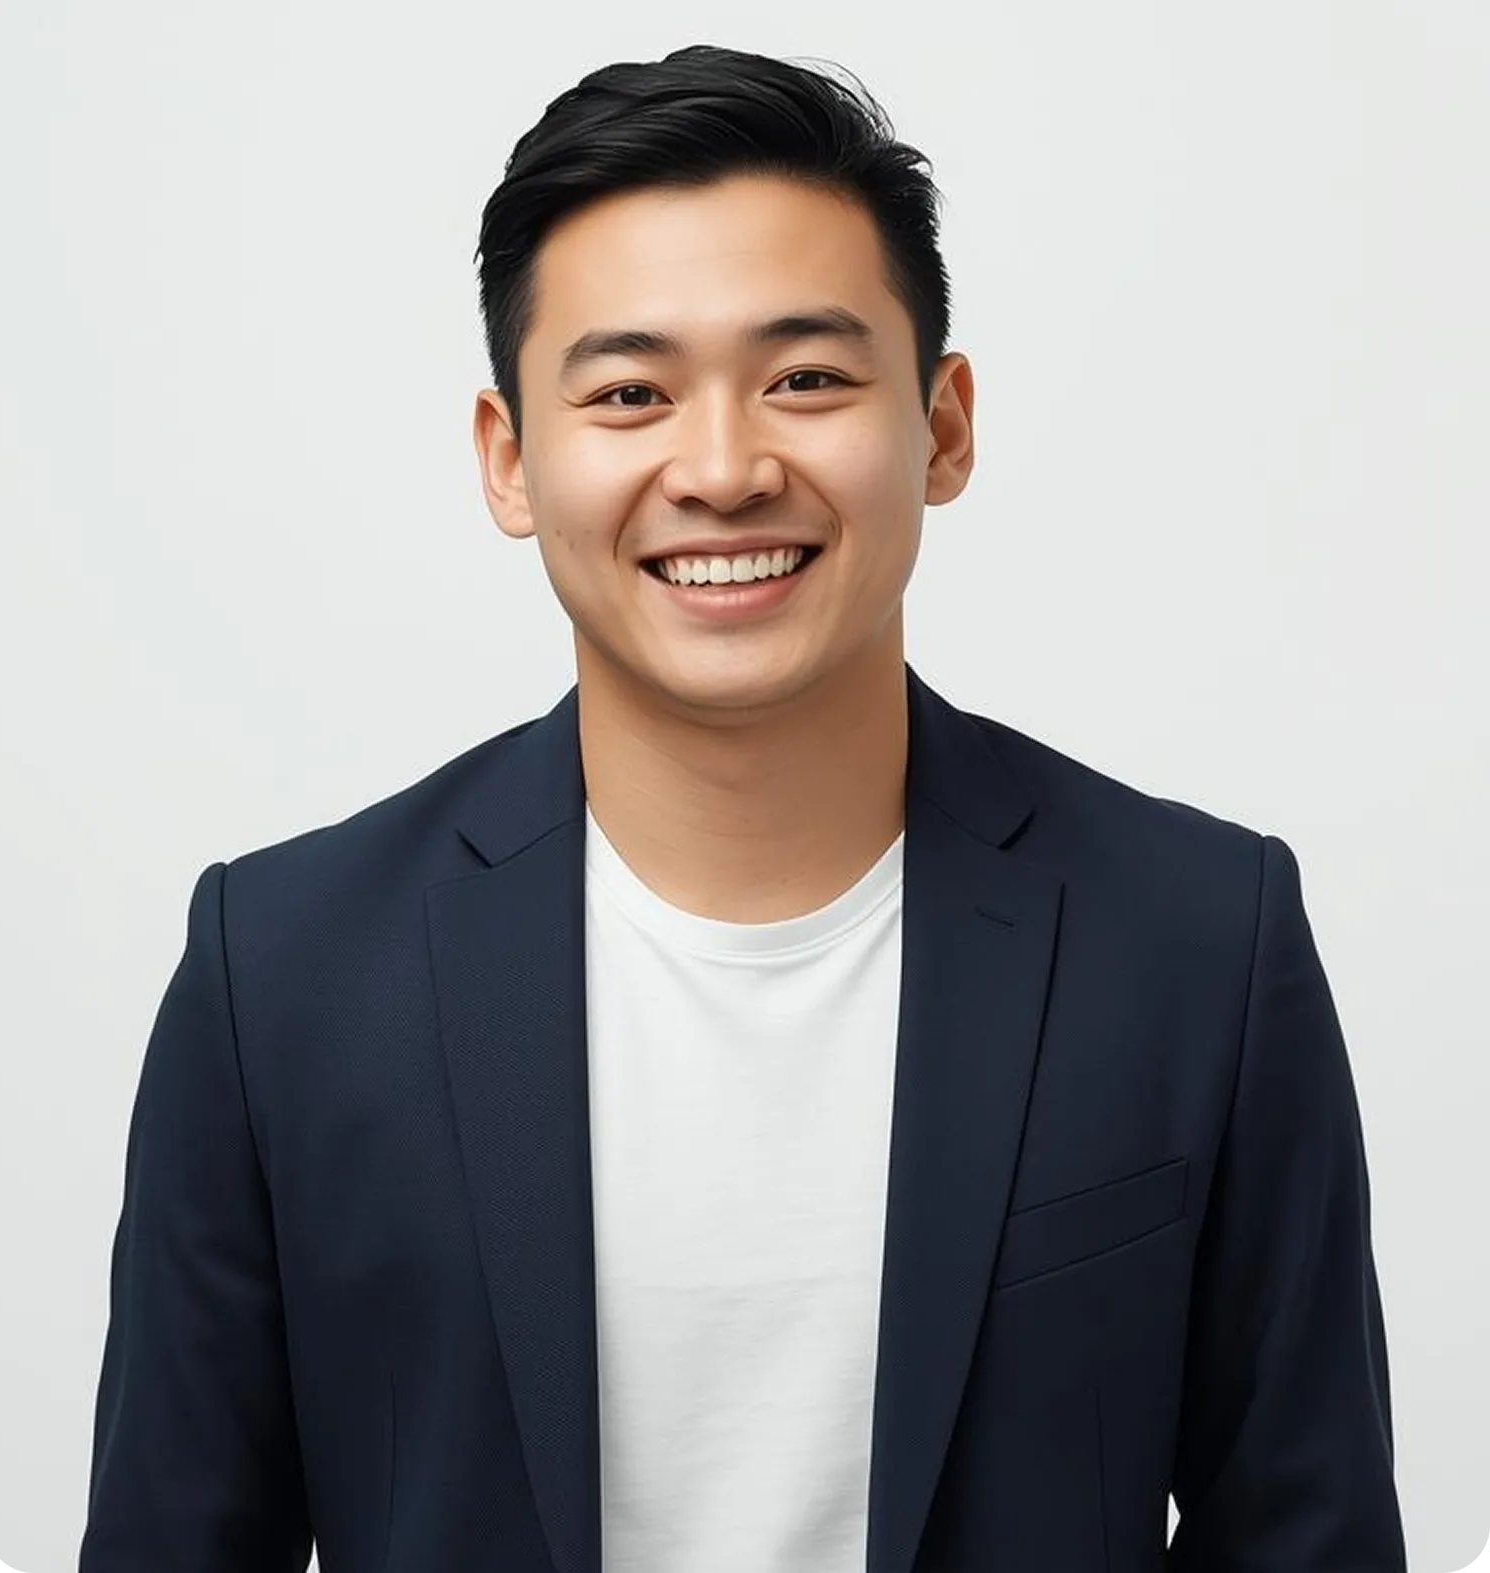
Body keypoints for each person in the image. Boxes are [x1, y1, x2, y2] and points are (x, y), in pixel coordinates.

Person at [78, 43, 1407, 1573]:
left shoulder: (1200, 943)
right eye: (630, 393)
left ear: (944, 426)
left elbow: (1308, 1538)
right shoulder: (283, 974)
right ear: (511, 461)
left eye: (807, 379)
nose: (720, 469)